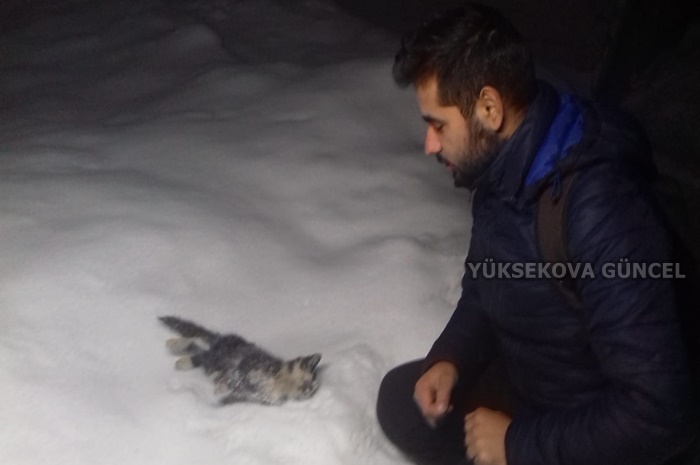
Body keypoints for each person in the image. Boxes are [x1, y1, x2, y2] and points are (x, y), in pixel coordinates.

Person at [375, 4, 700, 465]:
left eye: (438, 124)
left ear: (489, 109)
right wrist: (451, 358)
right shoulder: (499, 166)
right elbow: (485, 282)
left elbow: (660, 412)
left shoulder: (600, 208)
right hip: (536, 382)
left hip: (597, 427)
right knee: (402, 403)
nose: (429, 144)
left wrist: (517, 444)